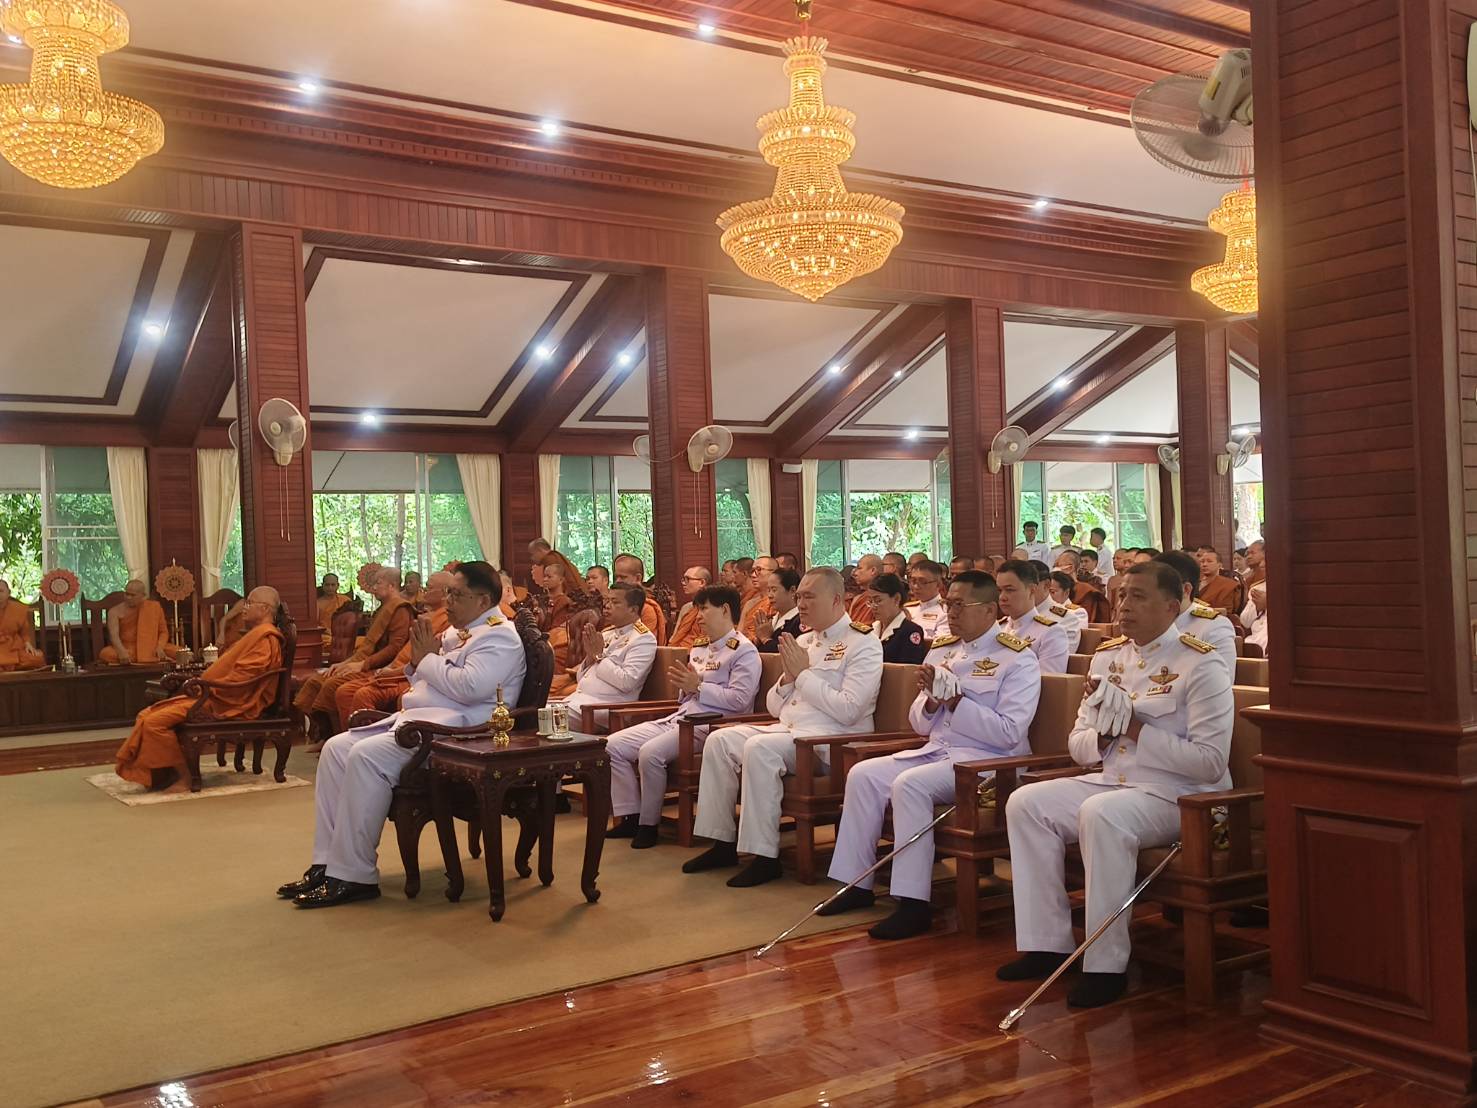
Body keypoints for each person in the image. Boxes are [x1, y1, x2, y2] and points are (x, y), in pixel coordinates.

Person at [999, 561, 1234, 1008]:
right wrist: (1104, 737)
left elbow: (1209, 763)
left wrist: (1135, 730)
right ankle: (1047, 943)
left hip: (1178, 795)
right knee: (1026, 802)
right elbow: (1078, 743)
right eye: (1122, 595)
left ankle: (1106, 965)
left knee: (1101, 814)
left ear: (1172, 605)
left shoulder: (1201, 664)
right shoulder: (1108, 658)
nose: (1124, 606)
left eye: (1139, 597)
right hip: (1114, 780)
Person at [278, 562, 526, 908]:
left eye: (456, 594)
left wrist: (426, 660)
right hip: (425, 722)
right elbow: (425, 680)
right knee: (336, 748)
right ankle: (326, 863)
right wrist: (423, 662)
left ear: (483, 600)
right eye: (448, 592)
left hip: (461, 733)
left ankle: (354, 875)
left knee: (366, 756)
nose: (447, 601)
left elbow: (470, 688)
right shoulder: (461, 631)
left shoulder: (499, 635)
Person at [822, 571, 1041, 938]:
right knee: (863, 774)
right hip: (937, 751)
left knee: (910, 785)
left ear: (989, 610)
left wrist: (956, 703)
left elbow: (1008, 734)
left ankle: (913, 903)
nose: (951, 612)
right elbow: (920, 725)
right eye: (948, 603)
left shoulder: (1017, 659)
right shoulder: (942, 649)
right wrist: (933, 704)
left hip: (985, 763)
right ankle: (856, 884)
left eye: (960, 605)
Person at [685, 567, 883, 887]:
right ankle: (722, 843)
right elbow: (775, 708)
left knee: (759, 749)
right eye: (799, 596)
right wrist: (790, 679)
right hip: (790, 732)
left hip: (828, 743)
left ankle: (764, 857)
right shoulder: (803, 641)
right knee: (720, 740)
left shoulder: (863, 643)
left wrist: (803, 675)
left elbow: (849, 710)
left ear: (836, 600)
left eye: (809, 597)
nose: (801, 604)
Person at [605, 585, 761, 848]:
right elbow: (686, 696)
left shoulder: (744, 650)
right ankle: (629, 815)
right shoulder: (700, 648)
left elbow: (740, 701)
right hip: (681, 718)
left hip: (711, 727)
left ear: (724, 610)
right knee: (612, 745)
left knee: (650, 753)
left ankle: (648, 824)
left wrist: (697, 687)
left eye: (704, 609)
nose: (698, 616)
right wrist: (687, 687)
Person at [115, 587, 285, 791]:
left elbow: (243, 679)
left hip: (228, 702)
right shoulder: (255, 634)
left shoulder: (266, 638)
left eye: (249, 603)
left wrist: (207, 687)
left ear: (265, 608)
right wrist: (205, 683)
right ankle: (161, 775)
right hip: (213, 695)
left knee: (154, 722)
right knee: (146, 714)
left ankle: (184, 778)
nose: (243, 609)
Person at [293, 567, 413, 737]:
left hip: (381, 667)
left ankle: (341, 736)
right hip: (366, 662)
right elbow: (369, 646)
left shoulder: (400, 609)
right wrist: (344, 663)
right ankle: (325, 735)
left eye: (378, 583)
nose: (373, 588)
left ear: (392, 585)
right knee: (318, 679)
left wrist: (363, 664)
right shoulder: (384, 608)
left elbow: (395, 648)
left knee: (332, 684)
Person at [333, 570, 455, 720]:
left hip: (409, 675)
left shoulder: (446, 620)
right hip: (395, 669)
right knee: (342, 690)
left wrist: (387, 670)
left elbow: (422, 658)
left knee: (356, 692)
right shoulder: (427, 616)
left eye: (428, 588)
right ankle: (341, 738)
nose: (422, 591)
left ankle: (368, 739)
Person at [558, 584, 658, 719]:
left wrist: (599, 656)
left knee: (540, 719)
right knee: (537, 713)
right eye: (607, 601)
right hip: (579, 702)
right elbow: (582, 679)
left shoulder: (643, 639)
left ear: (633, 609)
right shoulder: (607, 634)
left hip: (607, 708)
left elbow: (627, 682)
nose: (607, 606)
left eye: (615, 602)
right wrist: (590, 657)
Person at [1155, 551, 1237, 675]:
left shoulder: (1214, 627)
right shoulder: (1142, 624)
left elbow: (1221, 682)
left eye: (1156, 589)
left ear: (1186, 590)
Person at [995, 559, 1069, 674]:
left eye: (1009, 590)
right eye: (999, 590)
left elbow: (1049, 681)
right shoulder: (997, 628)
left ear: (1032, 590)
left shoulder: (1051, 632)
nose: (1002, 597)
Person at [99, 580, 180, 665]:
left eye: (132, 595)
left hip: (152, 647)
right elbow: (114, 636)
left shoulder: (154, 607)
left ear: (143, 596)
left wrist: (160, 647)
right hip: (129, 649)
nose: (128, 597)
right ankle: (148, 658)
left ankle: (148, 657)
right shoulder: (114, 612)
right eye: (127, 594)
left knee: (181, 653)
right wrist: (121, 652)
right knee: (105, 653)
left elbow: (163, 632)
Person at [868, 572, 927, 664]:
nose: (873, 606)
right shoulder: (870, 629)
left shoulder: (910, 631)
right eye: (870, 601)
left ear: (896, 599)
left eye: (878, 600)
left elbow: (908, 670)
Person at [614, 553, 667, 643]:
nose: (618, 581)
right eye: (616, 577)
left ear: (638, 578)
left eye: (623, 577)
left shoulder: (647, 608)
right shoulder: (612, 603)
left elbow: (645, 642)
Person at [753, 568, 802, 653]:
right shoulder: (771, 618)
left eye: (774, 590)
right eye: (768, 590)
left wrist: (766, 639)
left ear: (792, 590)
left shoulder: (799, 621)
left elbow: (789, 655)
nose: (769, 595)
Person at [0, 579, 44, 671]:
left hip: (13, 647)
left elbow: (24, 632)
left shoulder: (17, 609)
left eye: (1, 591)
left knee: (37, 659)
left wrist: (27, 643)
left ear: (8, 592)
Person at [1194, 546, 1245, 622]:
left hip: (1217, 622)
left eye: (1209, 561)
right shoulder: (1195, 583)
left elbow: (1226, 612)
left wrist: (1197, 612)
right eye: (1202, 562)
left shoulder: (1228, 585)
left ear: (1220, 565)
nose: (1204, 564)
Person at [904, 560, 950, 641]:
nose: (916, 586)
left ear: (938, 584)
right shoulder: (907, 609)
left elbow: (939, 645)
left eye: (923, 582)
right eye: (913, 581)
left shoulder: (945, 612)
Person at [667, 566, 712, 649]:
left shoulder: (712, 609)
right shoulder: (687, 608)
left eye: (687, 579)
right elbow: (675, 637)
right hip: (678, 651)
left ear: (702, 582)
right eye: (683, 579)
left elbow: (708, 640)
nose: (683, 583)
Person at [739, 556, 779, 642]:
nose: (753, 575)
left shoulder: (776, 602)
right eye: (752, 571)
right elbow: (739, 633)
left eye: (759, 570)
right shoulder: (749, 603)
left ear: (773, 572)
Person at [316, 574, 352, 650]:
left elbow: (352, 621)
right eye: (327, 585)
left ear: (337, 585)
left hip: (344, 635)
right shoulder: (317, 604)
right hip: (326, 635)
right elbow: (316, 624)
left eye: (333, 585)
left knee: (361, 641)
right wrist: (327, 631)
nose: (330, 588)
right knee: (325, 641)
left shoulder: (345, 600)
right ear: (322, 585)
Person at [848, 554, 883, 625]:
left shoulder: (883, 595)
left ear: (873, 570)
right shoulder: (859, 597)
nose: (855, 573)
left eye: (859, 568)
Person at [1241, 581, 1268, 655]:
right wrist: (1257, 607)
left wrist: (1271, 601)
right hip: (1255, 641)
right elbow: (1245, 621)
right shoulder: (1257, 589)